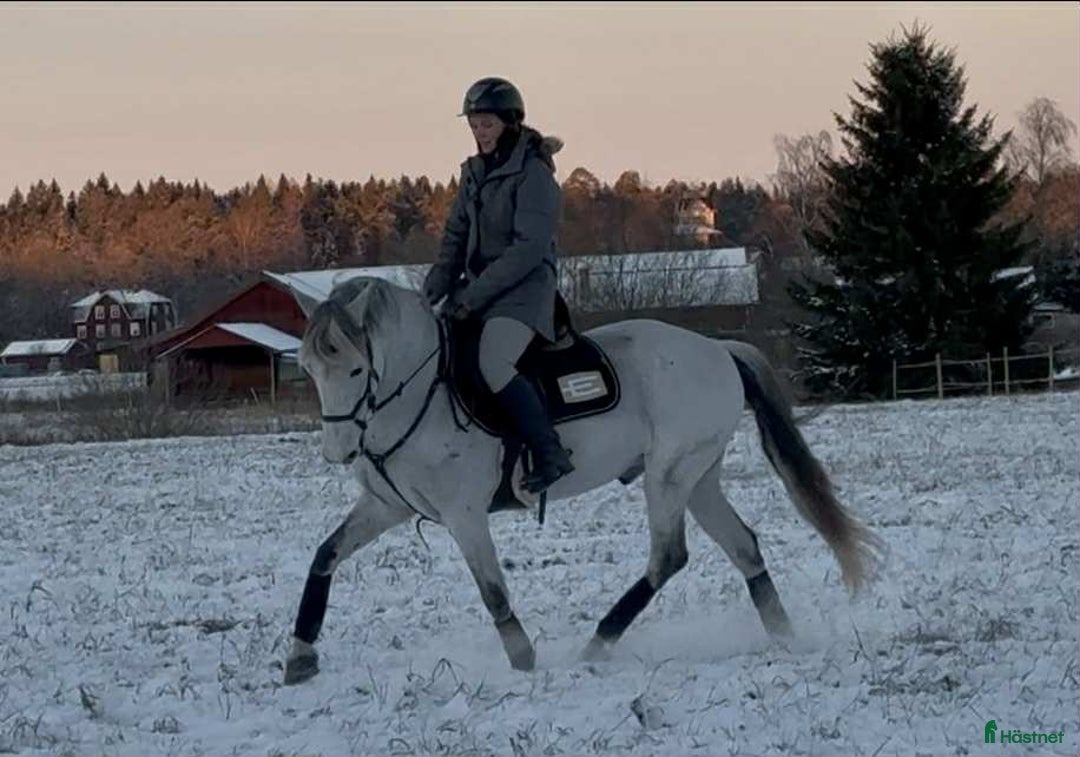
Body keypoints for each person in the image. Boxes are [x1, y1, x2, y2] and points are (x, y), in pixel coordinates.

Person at [423, 76, 575, 495]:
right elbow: (454, 237)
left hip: (525, 291)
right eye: (473, 125)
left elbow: (528, 249)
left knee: (493, 361)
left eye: (486, 124)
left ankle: (550, 452)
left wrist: (471, 298)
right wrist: (431, 291)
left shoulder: (534, 174)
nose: (479, 134)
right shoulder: (472, 173)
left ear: (509, 122)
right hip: (479, 290)